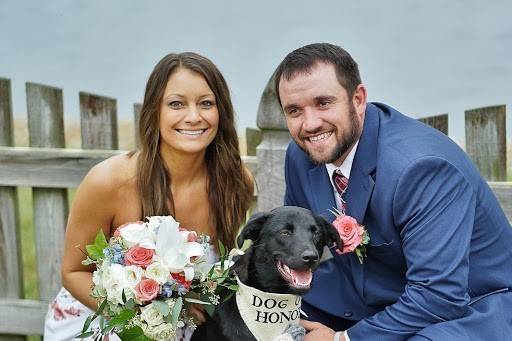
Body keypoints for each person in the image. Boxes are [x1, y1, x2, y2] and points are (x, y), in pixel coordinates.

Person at [275, 43, 512, 340]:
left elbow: (439, 296)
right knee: (267, 316)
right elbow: (291, 246)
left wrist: (341, 339)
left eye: (323, 103)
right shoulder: (302, 157)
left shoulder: (421, 168)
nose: (309, 124)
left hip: (470, 306)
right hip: (372, 289)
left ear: (358, 99)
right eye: (294, 110)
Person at [44, 52, 254, 340]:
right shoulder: (109, 181)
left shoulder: (235, 181)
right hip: (102, 319)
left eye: (206, 103)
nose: (193, 117)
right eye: (176, 104)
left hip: (186, 325)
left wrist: (187, 310)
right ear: (155, 111)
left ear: (221, 111)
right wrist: (143, 317)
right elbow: (73, 272)